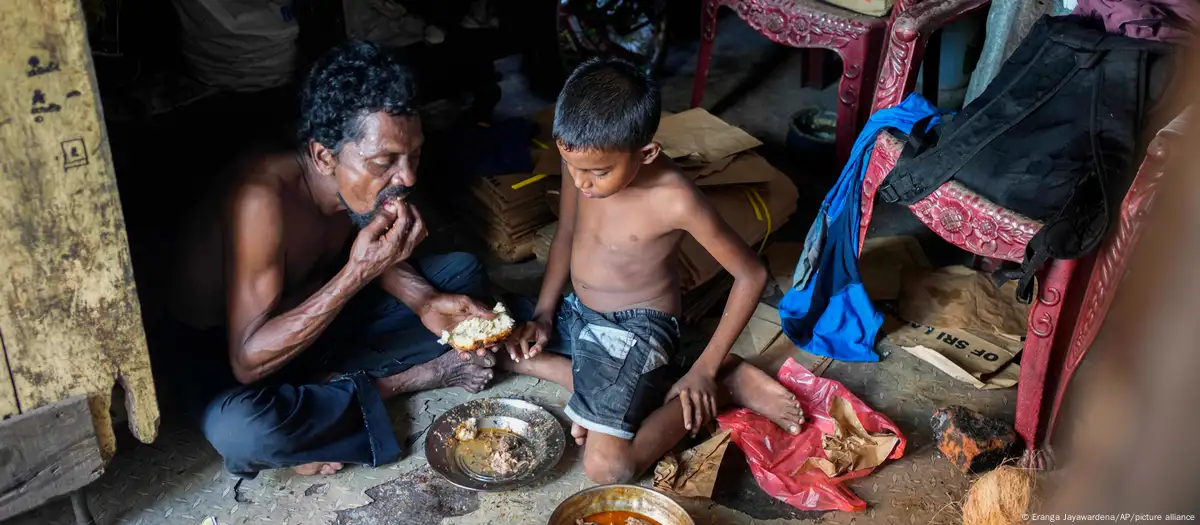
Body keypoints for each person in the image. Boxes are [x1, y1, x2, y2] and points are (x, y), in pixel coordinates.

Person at [160, 40, 500, 478]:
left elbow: (372, 253)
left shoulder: (358, 182)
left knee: (461, 274)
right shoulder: (261, 198)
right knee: (245, 432)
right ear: (324, 156)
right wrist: (358, 273)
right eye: (386, 161)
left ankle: (326, 399)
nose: (409, 176)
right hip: (230, 356)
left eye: (414, 155)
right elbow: (247, 360)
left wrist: (423, 301)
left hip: (317, 324)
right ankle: (412, 379)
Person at [491, 57, 806, 484]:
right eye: (572, 168)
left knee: (608, 467)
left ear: (647, 153)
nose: (582, 183)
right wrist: (545, 313)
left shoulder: (674, 198)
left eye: (598, 173)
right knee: (494, 343)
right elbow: (566, 231)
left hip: (637, 329)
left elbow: (750, 275)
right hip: (578, 312)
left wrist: (705, 370)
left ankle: (722, 383)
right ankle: (609, 390)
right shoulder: (581, 164)